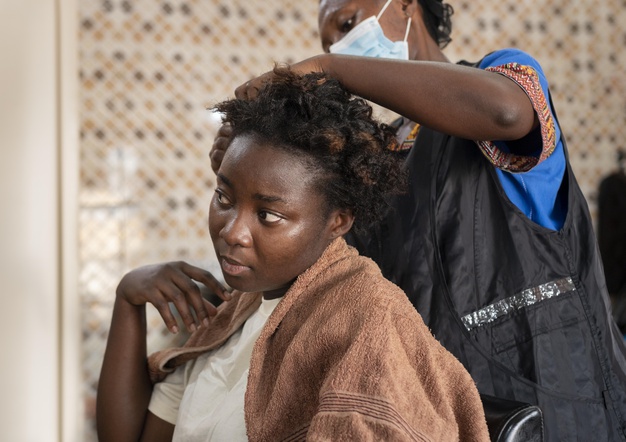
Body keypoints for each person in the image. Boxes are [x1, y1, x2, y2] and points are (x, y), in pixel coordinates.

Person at [210, 0, 626, 440]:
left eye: (348, 23)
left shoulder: (501, 77)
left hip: (563, 396)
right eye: (328, 41)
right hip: (438, 411)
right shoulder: (377, 158)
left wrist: (330, 68)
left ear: (407, 5)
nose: (339, 44)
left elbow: (507, 112)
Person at [96, 68, 490, 442]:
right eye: (223, 198)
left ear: (338, 222)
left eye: (267, 215)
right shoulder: (237, 313)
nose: (232, 232)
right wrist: (127, 299)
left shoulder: (367, 320)